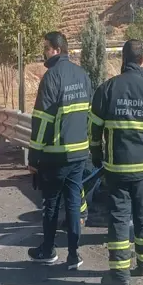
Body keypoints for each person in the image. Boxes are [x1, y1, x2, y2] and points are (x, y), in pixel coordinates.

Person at [89, 40, 143, 285]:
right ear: (142, 60)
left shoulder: (106, 89)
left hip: (116, 169)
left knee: (118, 216)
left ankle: (119, 274)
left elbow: (93, 130)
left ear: (122, 59)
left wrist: (96, 155)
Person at [27, 32, 92, 270]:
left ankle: (48, 250)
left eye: (45, 48)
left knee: (51, 204)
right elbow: (88, 114)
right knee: (74, 204)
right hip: (79, 154)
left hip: (55, 155)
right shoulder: (82, 74)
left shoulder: (51, 77)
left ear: (55, 49)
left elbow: (42, 121)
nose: (43, 52)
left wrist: (34, 156)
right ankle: (74, 255)